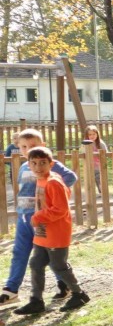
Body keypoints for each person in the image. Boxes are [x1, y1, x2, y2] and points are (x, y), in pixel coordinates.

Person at [0, 129, 77, 309]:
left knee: (48, 254)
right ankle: (11, 290)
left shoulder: (48, 164)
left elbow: (70, 178)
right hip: (24, 217)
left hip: (43, 219)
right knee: (20, 252)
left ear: (42, 146)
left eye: (33, 146)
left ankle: (64, 283)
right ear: (18, 148)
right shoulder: (25, 166)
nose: (28, 150)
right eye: (24, 147)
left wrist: (53, 196)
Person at [11, 146, 88, 314]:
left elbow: (60, 209)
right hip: (43, 231)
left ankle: (79, 294)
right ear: (29, 165)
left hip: (56, 231)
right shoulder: (40, 179)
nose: (38, 167)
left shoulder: (53, 182)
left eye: (43, 163)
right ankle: (36, 301)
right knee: (36, 263)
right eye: (34, 163)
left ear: (51, 164)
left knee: (59, 265)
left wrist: (39, 217)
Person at [85, 125, 109, 193]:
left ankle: (102, 192)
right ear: (87, 135)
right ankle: (90, 193)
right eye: (90, 134)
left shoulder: (100, 143)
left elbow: (106, 153)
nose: (92, 136)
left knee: (99, 179)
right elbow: (82, 152)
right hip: (90, 165)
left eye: (94, 134)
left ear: (97, 134)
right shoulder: (86, 143)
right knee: (90, 179)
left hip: (99, 165)